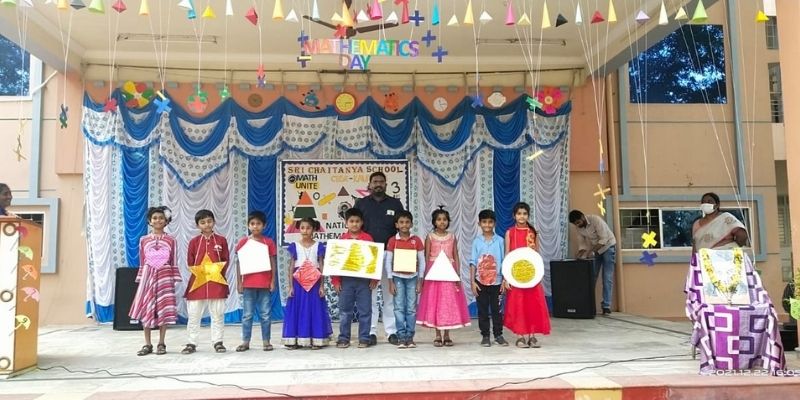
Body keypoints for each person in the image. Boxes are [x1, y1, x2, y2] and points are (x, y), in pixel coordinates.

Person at [354, 171, 404, 346]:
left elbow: (401, 228)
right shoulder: (361, 203)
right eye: (375, 181)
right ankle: (371, 331)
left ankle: (392, 332)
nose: (378, 184)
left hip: (390, 253)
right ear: (370, 184)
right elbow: (356, 228)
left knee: (390, 294)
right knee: (370, 295)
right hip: (368, 253)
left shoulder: (395, 203)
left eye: (381, 181)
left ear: (386, 184)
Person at [129, 206, 180, 356]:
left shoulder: (171, 240)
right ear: (149, 221)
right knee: (147, 307)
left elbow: (173, 260)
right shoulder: (143, 240)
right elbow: (142, 260)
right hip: (148, 276)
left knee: (163, 307)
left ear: (166, 221)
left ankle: (161, 343)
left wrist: (173, 277)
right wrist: (141, 278)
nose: (158, 220)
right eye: (155, 218)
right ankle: (147, 344)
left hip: (165, 276)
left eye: (161, 218)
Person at [416, 207, 471, 347]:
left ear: (448, 221)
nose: (442, 222)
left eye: (445, 219)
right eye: (439, 219)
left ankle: (447, 334)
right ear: (434, 222)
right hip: (434, 272)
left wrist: (457, 273)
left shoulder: (452, 236)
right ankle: (437, 334)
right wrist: (425, 275)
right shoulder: (430, 237)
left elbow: (455, 255)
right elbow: (426, 256)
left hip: (449, 272)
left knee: (448, 302)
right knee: (435, 302)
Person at [182, 209, 230, 354]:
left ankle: (218, 342)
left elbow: (225, 260)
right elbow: (190, 262)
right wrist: (202, 273)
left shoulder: (221, 240)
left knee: (218, 314)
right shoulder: (194, 242)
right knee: (194, 315)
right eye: (202, 222)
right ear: (198, 225)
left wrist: (215, 274)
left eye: (209, 221)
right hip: (197, 283)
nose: (207, 224)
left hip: (216, 282)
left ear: (214, 222)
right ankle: (191, 342)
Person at [504, 202, 551, 348]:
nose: (522, 216)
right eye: (519, 214)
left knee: (532, 305)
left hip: (531, 275)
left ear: (528, 216)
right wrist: (506, 277)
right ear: (514, 216)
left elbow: (537, 255)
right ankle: (520, 336)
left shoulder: (533, 232)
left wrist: (538, 273)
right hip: (515, 275)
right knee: (518, 305)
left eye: (524, 214)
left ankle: (532, 335)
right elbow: (507, 255)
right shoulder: (510, 233)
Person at [282, 217, 333, 349]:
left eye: (308, 228)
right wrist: (290, 286)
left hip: (314, 283)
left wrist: (322, 286)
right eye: (302, 228)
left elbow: (321, 266)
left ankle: (316, 339)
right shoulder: (295, 246)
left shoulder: (318, 246)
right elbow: (291, 267)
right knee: (298, 309)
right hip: (298, 283)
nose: (305, 231)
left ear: (314, 229)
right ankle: (296, 339)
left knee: (314, 310)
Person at [333, 208, 378, 348]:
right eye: (351, 221)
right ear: (346, 223)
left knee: (365, 311)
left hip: (364, 281)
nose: (354, 224)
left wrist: (374, 279)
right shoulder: (342, 240)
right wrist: (336, 281)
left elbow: (374, 260)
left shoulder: (368, 238)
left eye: (357, 221)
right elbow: (336, 262)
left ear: (362, 222)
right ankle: (343, 338)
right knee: (345, 311)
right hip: (346, 281)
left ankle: (364, 338)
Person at [234, 211, 278, 352]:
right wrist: (239, 282)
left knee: (265, 314)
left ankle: (266, 341)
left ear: (264, 226)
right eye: (252, 224)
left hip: (264, 284)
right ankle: (245, 342)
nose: (255, 226)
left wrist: (273, 281)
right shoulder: (243, 242)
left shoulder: (268, 242)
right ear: (248, 225)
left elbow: (273, 262)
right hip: (248, 284)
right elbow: (239, 263)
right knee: (247, 315)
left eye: (258, 223)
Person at [384, 210, 425, 349]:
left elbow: (422, 261)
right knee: (399, 308)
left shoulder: (416, 240)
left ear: (412, 224)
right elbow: (388, 261)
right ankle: (401, 336)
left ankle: (410, 337)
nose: (404, 225)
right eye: (401, 222)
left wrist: (420, 280)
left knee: (411, 308)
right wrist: (390, 281)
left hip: (413, 278)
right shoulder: (392, 241)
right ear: (396, 224)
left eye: (407, 222)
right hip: (397, 278)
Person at [469, 209, 508, 347]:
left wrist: (504, 280)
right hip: (480, 282)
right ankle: (485, 336)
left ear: (495, 223)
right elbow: (473, 262)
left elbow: (504, 261)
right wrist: (472, 282)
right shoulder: (476, 242)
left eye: (490, 222)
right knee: (483, 310)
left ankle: (498, 335)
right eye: (484, 222)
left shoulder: (500, 241)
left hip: (497, 281)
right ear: (479, 224)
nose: (487, 225)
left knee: (497, 310)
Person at [569, 209, 617, 315]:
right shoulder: (578, 228)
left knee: (607, 277)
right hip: (595, 249)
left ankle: (606, 306)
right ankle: (589, 304)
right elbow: (582, 244)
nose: (577, 225)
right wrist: (580, 253)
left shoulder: (596, 220)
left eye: (578, 222)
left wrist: (591, 252)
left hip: (608, 247)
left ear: (582, 217)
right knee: (591, 276)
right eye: (575, 224)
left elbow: (603, 239)